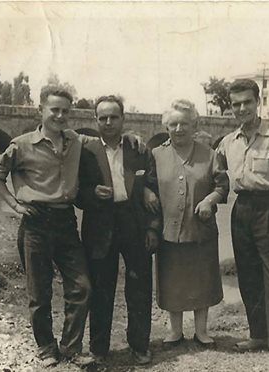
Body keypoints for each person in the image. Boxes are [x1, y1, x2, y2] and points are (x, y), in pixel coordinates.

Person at [0, 86, 95, 368]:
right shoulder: (21, 145)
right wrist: (16, 205)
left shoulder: (75, 140)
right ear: (41, 111)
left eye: (65, 111)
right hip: (36, 223)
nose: (60, 115)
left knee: (81, 287)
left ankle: (70, 347)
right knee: (39, 293)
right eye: (54, 110)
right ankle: (46, 347)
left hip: (66, 222)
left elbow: (106, 142)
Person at [216, 79, 269, 371]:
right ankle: (257, 335)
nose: (242, 108)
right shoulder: (228, 142)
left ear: (257, 102)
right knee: (249, 276)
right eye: (236, 104)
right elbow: (212, 171)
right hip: (242, 210)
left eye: (247, 102)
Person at [75, 95, 159, 365]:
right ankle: (99, 348)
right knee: (100, 289)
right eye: (103, 117)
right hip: (99, 223)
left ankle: (139, 345)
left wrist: (152, 228)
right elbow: (75, 193)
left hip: (133, 221)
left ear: (124, 119)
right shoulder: (85, 150)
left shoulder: (138, 148)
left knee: (139, 286)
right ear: (95, 120)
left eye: (114, 117)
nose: (108, 122)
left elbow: (154, 186)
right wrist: (91, 193)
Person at [147, 99, 229, 348]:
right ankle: (175, 331)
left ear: (194, 125)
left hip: (201, 229)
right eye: (173, 124)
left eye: (184, 123)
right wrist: (146, 193)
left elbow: (223, 186)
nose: (179, 128)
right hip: (168, 230)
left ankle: (201, 331)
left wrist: (210, 200)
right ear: (166, 127)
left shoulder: (210, 154)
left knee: (201, 279)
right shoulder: (157, 154)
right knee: (172, 279)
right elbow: (147, 183)